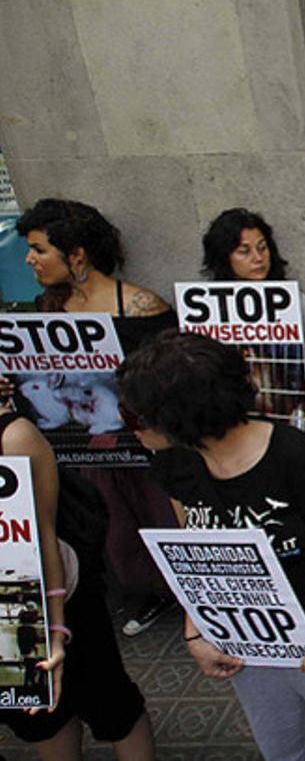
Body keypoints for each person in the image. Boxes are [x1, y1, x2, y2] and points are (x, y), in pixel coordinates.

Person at [117, 331, 305, 760]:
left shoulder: (295, 456)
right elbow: (193, 553)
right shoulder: (174, 463)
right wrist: (196, 631)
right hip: (246, 642)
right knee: (281, 748)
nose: (133, 427)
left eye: (137, 416)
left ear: (179, 414)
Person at [16, 198, 180, 637]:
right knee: (116, 531)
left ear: (77, 254)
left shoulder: (142, 307)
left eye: (39, 249)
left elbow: (174, 380)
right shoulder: (47, 308)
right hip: (85, 447)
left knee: (162, 520)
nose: (30, 260)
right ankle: (145, 593)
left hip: (145, 450)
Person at [0, 406, 157, 760]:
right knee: (41, 716)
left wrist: (54, 631)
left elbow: (43, 533)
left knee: (109, 702)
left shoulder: (14, 436)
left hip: (45, 598)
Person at [201, 207, 305, 438]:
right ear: (224, 257)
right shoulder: (208, 314)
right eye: (244, 251)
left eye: (262, 248)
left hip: (302, 431)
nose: (258, 258)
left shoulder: (298, 304)